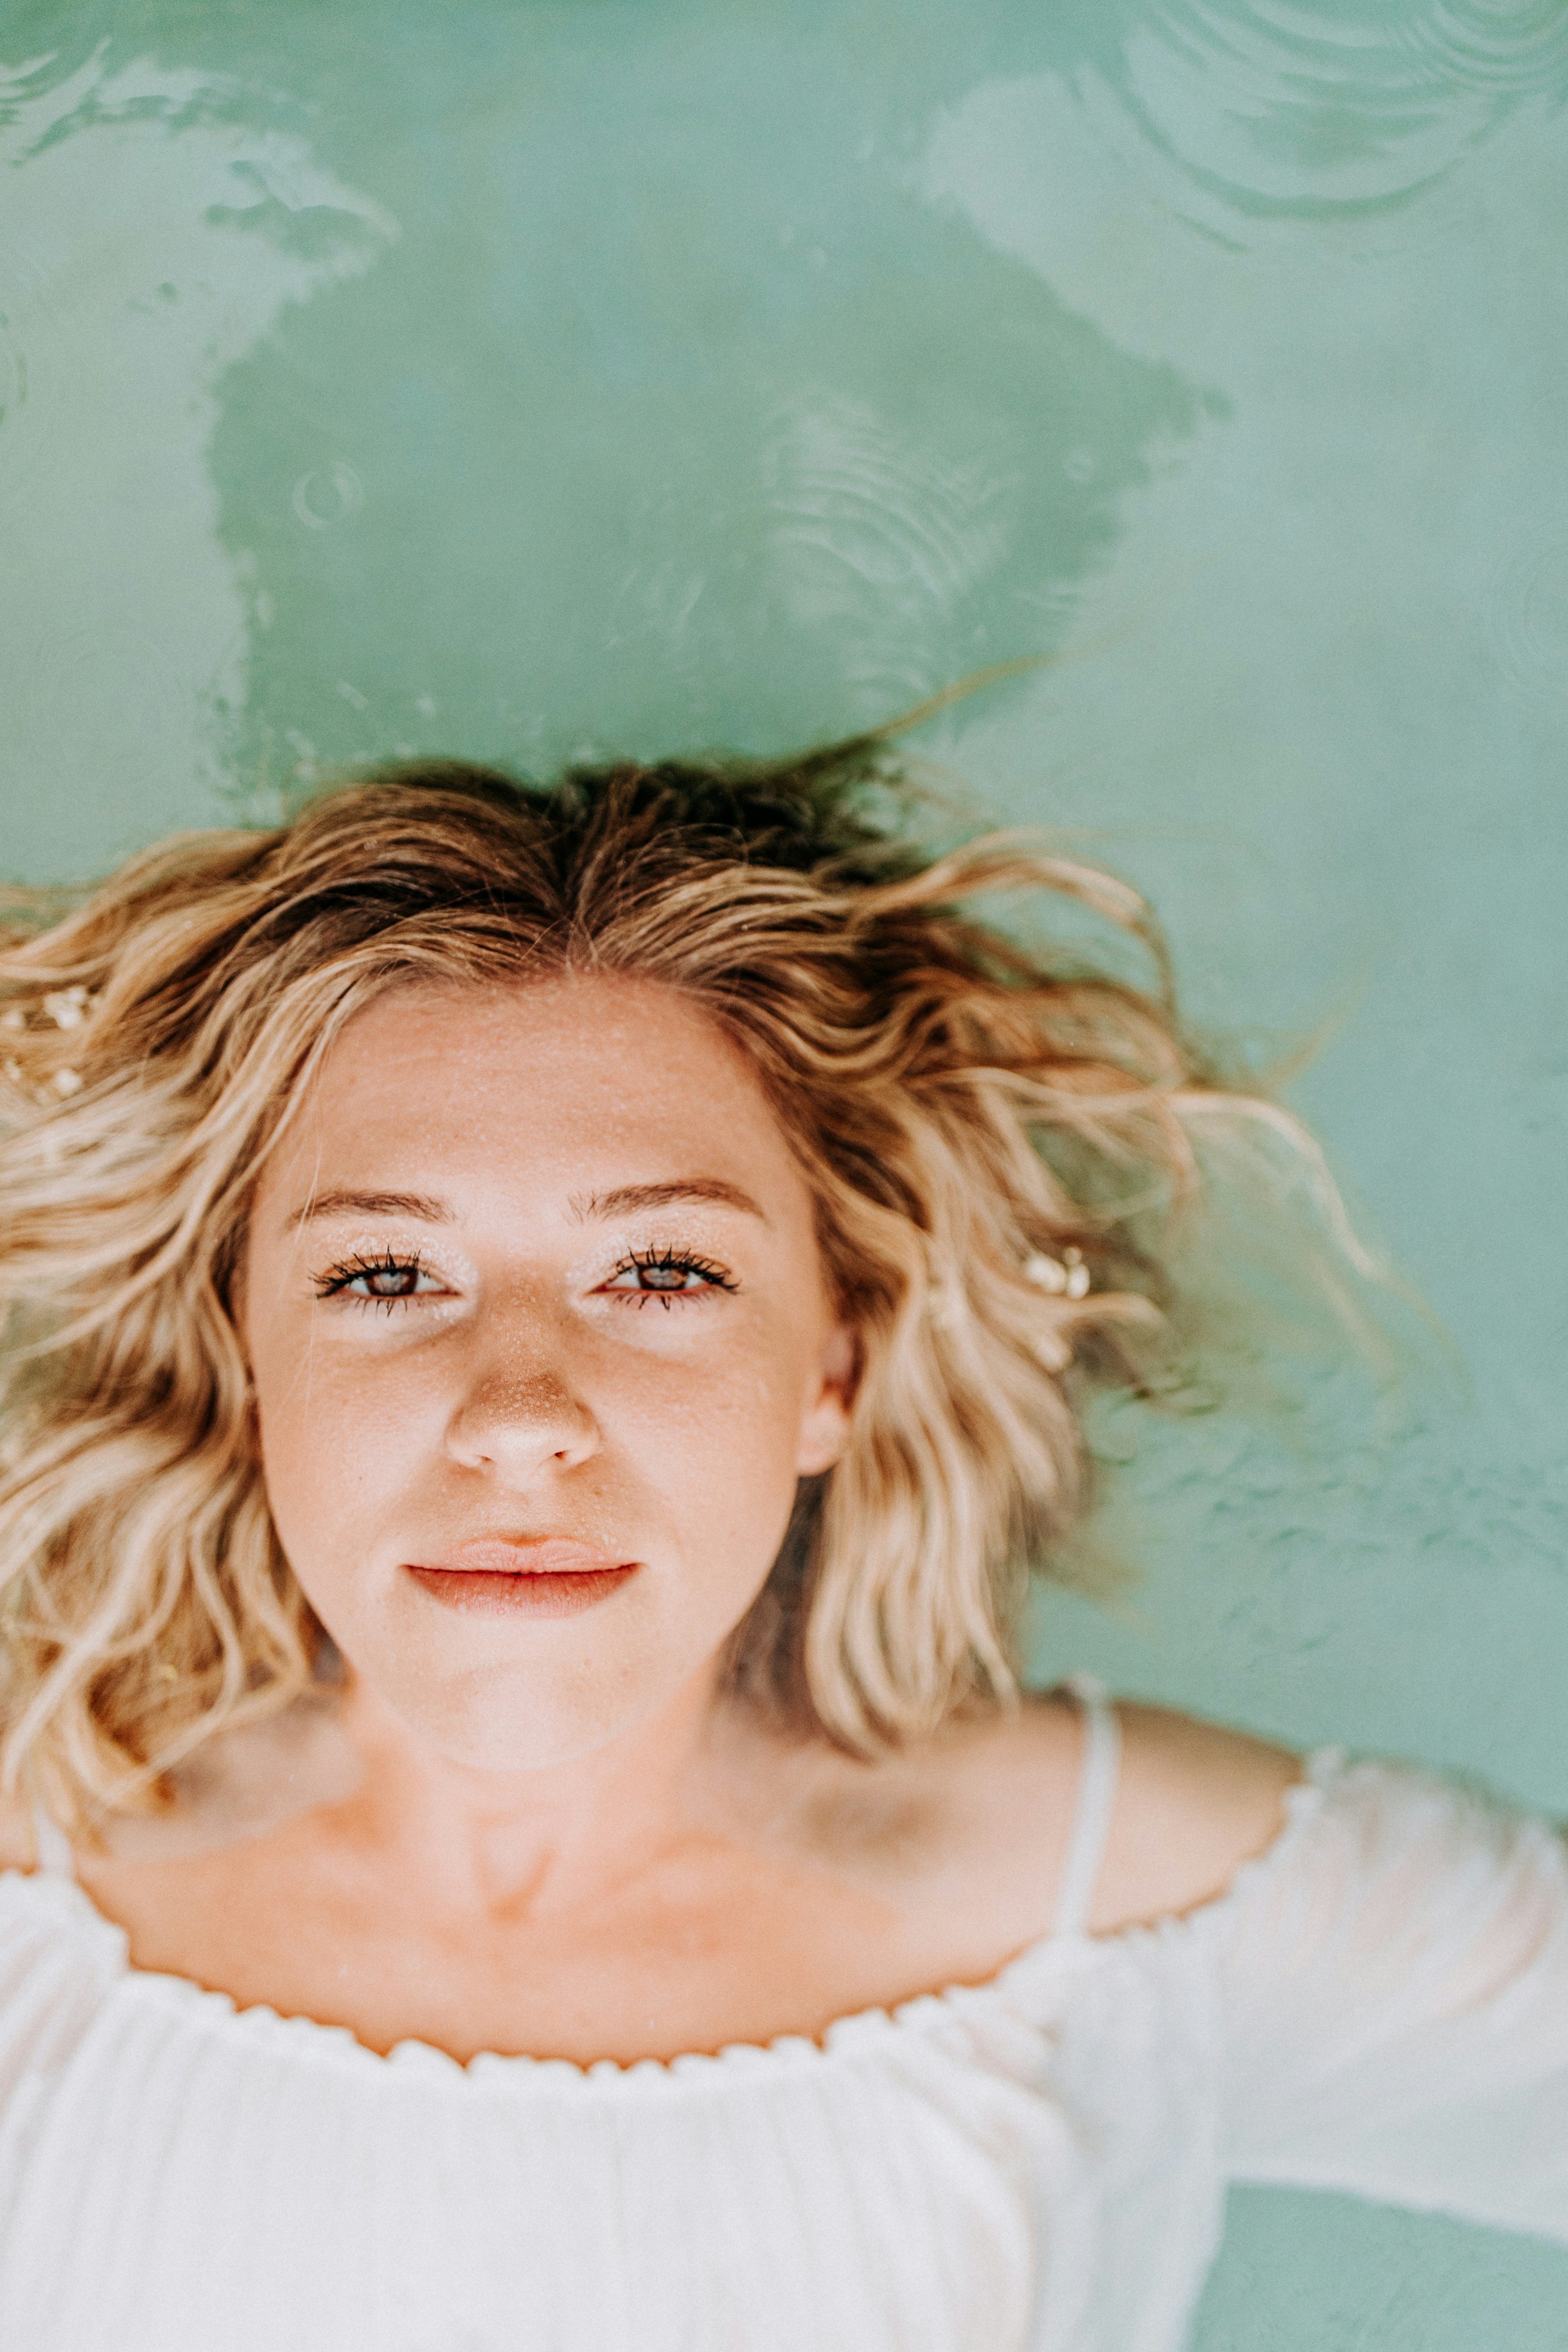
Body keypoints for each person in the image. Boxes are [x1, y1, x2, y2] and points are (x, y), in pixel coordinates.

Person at [0, 740, 1563, 2352]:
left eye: (664, 1273)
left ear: (832, 1368)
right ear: (252, 1360)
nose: (520, 1416)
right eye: (387, 1278)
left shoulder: (1119, 1919)